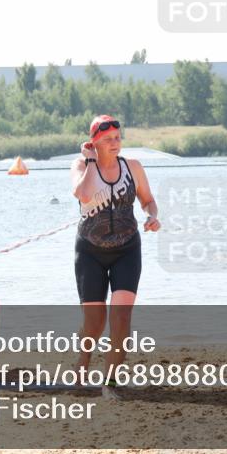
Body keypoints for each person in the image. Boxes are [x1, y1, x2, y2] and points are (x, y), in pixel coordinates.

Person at [70, 115, 160, 398]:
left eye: (118, 138)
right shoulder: (81, 166)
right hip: (90, 252)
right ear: (93, 142)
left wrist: (152, 216)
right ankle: (83, 360)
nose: (115, 143)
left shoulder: (132, 167)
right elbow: (84, 195)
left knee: (121, 317)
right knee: (95, 322)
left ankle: (109, 380)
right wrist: (91, 162)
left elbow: (148, 200)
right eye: (108, 139)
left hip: (126, 250)